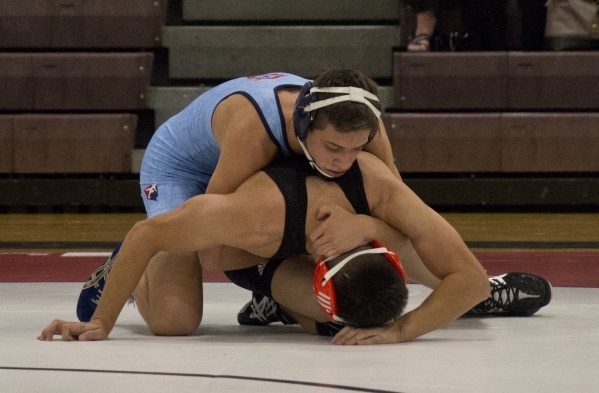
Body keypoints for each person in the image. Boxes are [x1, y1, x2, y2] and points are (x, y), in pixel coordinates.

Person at [38, 151, 552, 343]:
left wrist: (401, 329)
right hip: (211, 220)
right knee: (174, 320)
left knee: (354, 318)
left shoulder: (376, 185)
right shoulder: (248, 215)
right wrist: (101, 322)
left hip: (315, 239)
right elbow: (157, 235)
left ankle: (278, 304)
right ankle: (135, 271)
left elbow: (460, 267)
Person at [76, 69, 399, 325]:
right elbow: (213, 255)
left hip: (266, 154)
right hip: (183, 171)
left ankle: (272, 296)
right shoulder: (255, 134)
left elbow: (399, 211)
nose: (346, 158)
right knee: (173, 320)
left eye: (355, 148)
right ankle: (140, 252)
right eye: (335, 148)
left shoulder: (356, 124)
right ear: (306, 124)